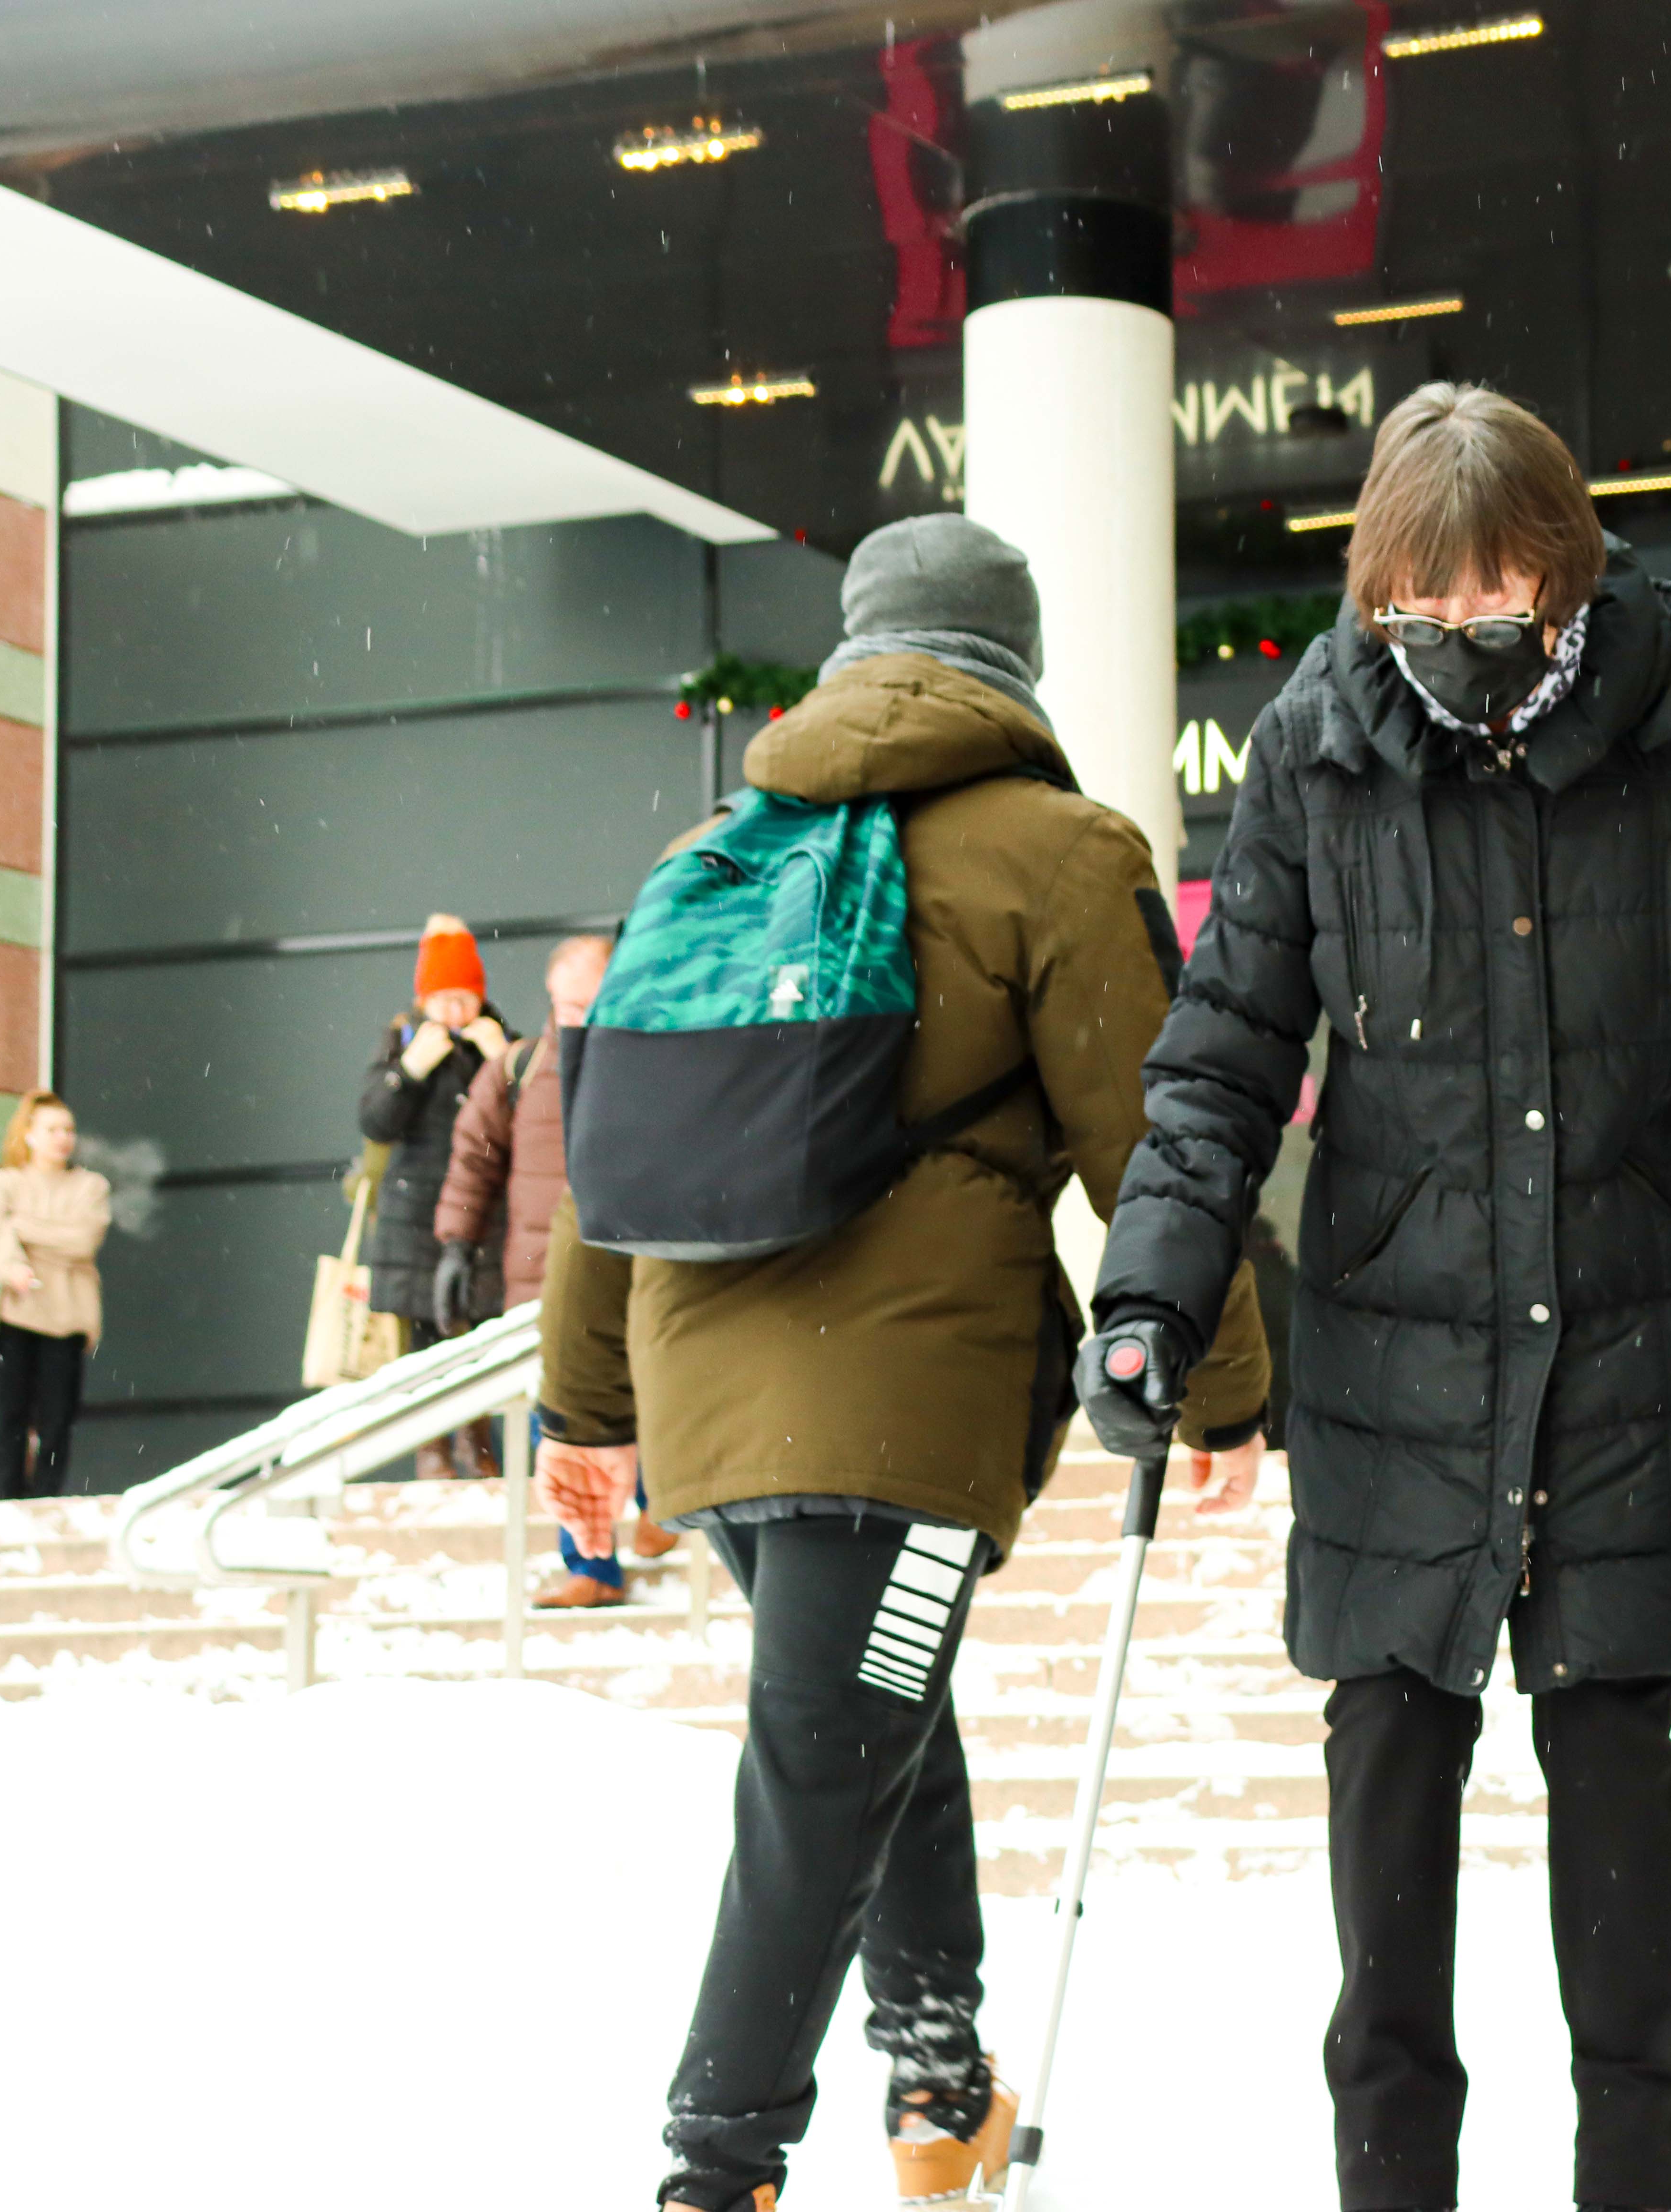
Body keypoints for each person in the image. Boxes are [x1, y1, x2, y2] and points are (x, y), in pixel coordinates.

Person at [1081, 381, 1671, 2212]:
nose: (1458, 651)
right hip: (1395, 1363)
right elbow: (1220, 1055)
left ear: (1568, 575)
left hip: (1632, 1331)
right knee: (1386, 1831)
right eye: (1415, 617)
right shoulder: (1314, 749)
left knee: (1615, 1822)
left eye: (1497, 609)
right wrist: (1150, 1296)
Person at [529, 513, 1271, 2212]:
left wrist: (587, 1402)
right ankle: (715, 2168)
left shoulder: (710, 853)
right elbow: (1157, 1137)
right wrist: (1220, 1377)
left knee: (878, 1720)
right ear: (1009, 657)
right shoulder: (1058, 847)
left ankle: (939, 2081)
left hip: (713, 1397)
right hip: (904, 1419)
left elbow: (609, 1154)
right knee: (824, 1769)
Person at [431, 933, 667, 1606]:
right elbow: (471, 1162)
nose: (584, 1018)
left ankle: (662, 1505)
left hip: (640, 1267)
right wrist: (455, 1246)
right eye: (571, 1005)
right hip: (540, 1283)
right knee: (557, 1421)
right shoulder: (519, 1069)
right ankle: (590, 1566)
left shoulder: (654, 1060)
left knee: (650, 1389)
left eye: (594, 1002)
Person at [357, 913, 511, 1478]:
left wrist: (504, 1059)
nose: (455, 1012)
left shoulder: (497, 1041)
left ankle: (478, 1443)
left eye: (465, 997)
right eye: (444, 998)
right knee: (424, 1336)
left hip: (485, 1213)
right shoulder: (402, 1039)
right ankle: (432, 1450)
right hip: (415, 1215)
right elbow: (376, 1121)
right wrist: (411, 1069)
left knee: (483, 1333)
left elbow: (539, 1116)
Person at [0, 1090, 113, 1500]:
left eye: (68, 1130)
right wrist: (12, 1261)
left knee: (57, 1422)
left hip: (68, 1320)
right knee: (10, 1417)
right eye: (52, 1130)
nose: (63, 1138)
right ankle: (8, 1502)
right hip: (13, 1317)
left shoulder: (90, 1187)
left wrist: (20, 1228)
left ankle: (47, 1500)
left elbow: (83, 1241)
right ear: (28, 1135)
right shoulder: (3, 1182)